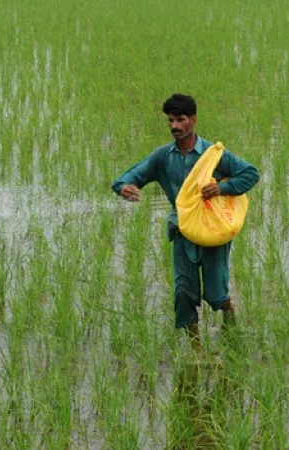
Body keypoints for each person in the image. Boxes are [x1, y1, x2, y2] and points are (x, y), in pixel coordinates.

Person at [111, 94, 260, 350]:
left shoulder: (213, 155)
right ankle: (197, 349)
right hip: (181, 230)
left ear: (193, 120)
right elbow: (130, 176)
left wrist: (223, 189)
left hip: (213, 231)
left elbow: (250, 174)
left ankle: (230, 321)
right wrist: (125, 187)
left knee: (215, 293)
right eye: (170, 121)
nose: (174, 126)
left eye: (180, 120)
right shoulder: (162, 157)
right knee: (183, 292)